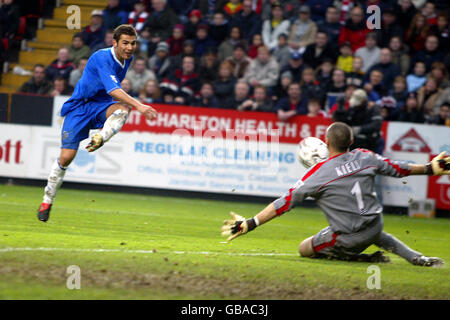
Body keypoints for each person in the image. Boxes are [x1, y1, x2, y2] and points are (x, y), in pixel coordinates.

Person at [222, 122, 448, 267]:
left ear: (327, 142)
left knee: (304, 248)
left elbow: (284, 203)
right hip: (374, 226)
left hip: (348, 239)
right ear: (351, 141)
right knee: (375, 232)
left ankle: (357, 258)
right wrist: (430, 168)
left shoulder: (317, 174)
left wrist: (250, 223)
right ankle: (417, 257)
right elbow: (400, 169)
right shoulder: (365, 156)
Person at [36, 25, 157, 222]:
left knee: (123, 110)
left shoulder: (128, 59)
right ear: (114, 42)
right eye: (125, 43)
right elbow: (113, 89)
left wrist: (132, 105)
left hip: (100, 106)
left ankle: (100, 137)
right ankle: (47, 200)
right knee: (66, 157)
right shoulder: (102, 57)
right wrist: (140, 106)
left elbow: (112, 94)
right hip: (79, 108)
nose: (129, 47)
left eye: (133, 43)